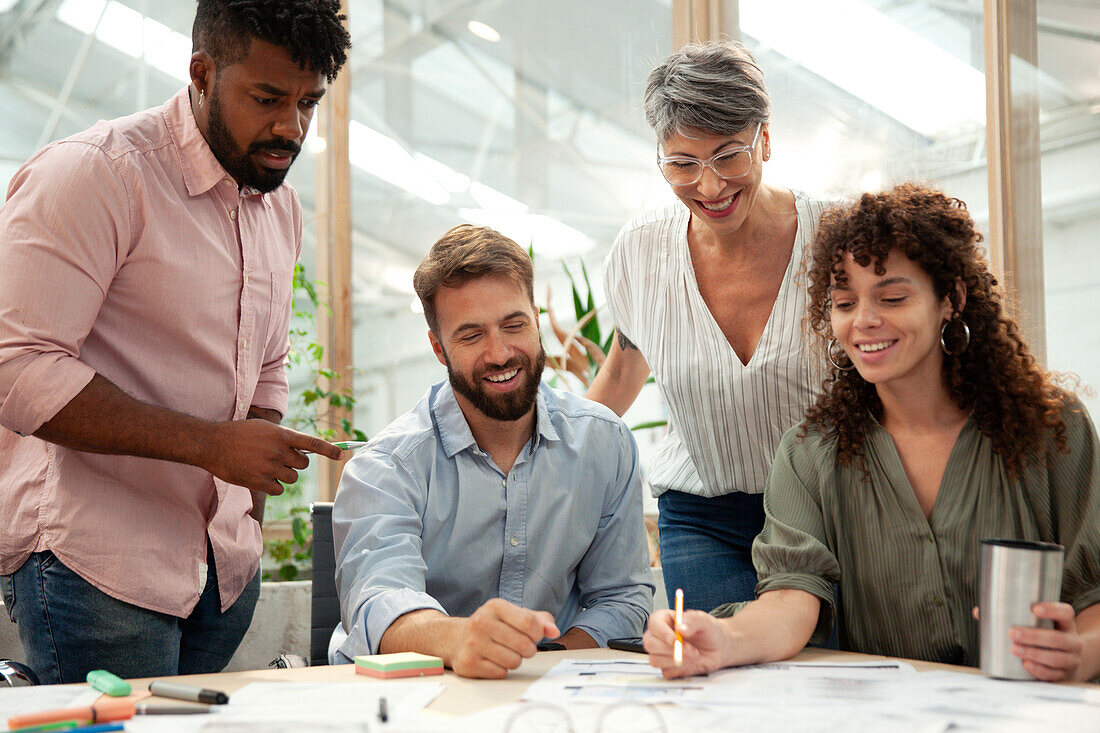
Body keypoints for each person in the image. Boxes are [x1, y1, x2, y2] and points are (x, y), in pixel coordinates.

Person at [0, 0, 350, 684]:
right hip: (97, 567)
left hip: (219, 576)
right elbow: (15, 367)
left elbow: (268, 369)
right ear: (201, 72)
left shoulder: (279, 204)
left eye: (309, 102)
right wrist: (214, 447)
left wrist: (247, 507)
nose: (292, 127)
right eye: (268, 98)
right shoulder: (97, 174)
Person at [644, 183, 1100, 682]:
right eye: (843, 302)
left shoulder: (1052, 428)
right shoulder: (810, 452)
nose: (864, 321)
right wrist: (722, 640)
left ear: (952, 298)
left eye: (894, 297)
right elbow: (792, 600)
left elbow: (1093, 597)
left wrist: (1079, 652)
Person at [331, 225, 654, 679]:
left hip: (555, 690)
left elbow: (621, 597)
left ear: (537, 320)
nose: (500, 352)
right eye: (470, 335)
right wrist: (459, 640)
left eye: (514, 325)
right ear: (438, 349)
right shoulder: (386, 467)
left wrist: (545, 661)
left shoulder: (605, 443)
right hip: (416, 693)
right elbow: (379, 601)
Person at [586, 40, 832, 611]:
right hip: (704, 519)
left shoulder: (835, 235)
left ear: (765, 141)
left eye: (728, 156)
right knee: (721, 677)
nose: (711, 185)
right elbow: (619, 377)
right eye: (683, 164)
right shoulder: (640, 252)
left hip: (832, 510)